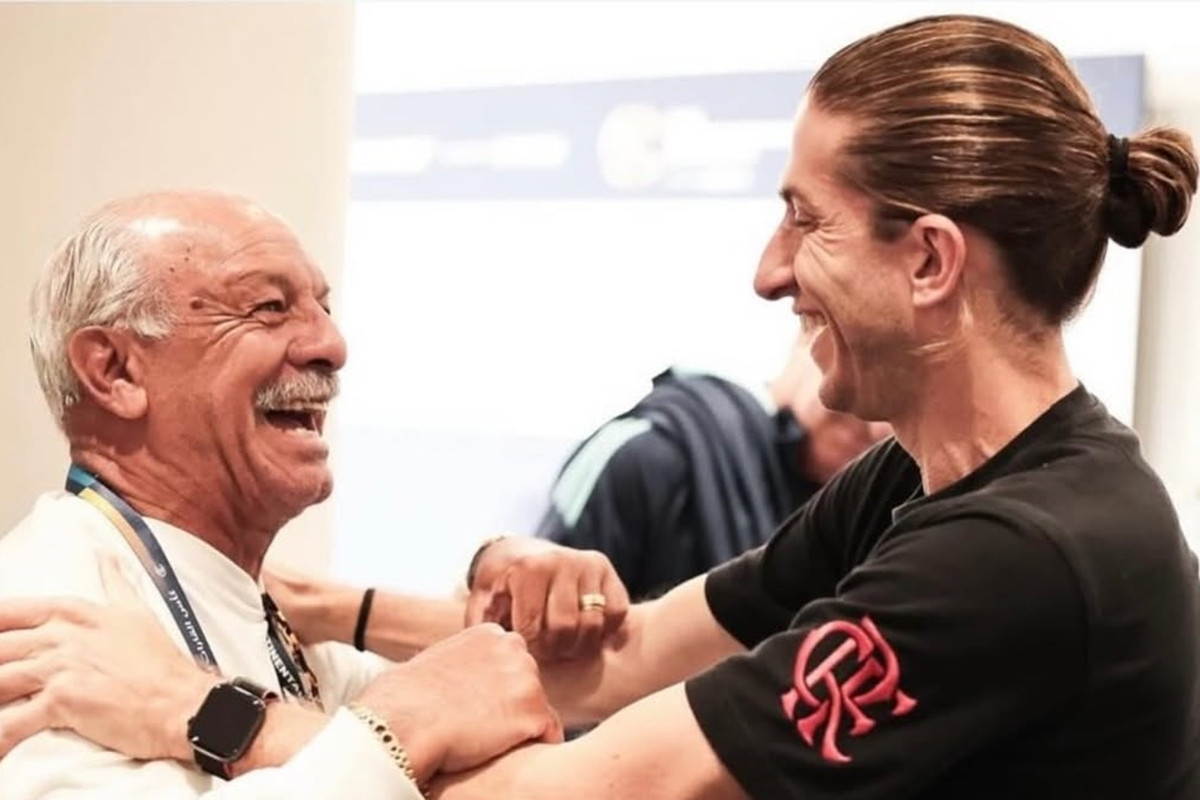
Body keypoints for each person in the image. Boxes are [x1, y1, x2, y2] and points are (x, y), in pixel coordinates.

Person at [2, 13, 1199, 799]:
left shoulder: (1018, 554)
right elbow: (624, 657)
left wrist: (203, 709)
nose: (770, 271)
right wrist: (329, 611)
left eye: (805, 219)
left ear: (930, 259)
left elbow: (580, 791)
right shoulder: (921, 477)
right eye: (266, 309)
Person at [0, 190, 574, 798]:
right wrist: (409, 720)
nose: (331, 346)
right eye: (269, 308)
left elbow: (480, 736)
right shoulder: (42, 623)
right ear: (114, 371)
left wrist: (519, 591)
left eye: (323, 308)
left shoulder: (246, 599)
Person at [536, 340, 889, 600]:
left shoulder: (876, 516)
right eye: (870, 367)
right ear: (810, 332)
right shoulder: (652, 453)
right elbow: (541, 607)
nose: (876, 428)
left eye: (894, 398)